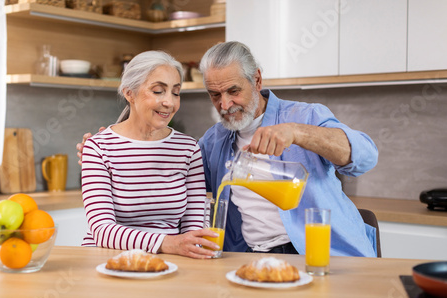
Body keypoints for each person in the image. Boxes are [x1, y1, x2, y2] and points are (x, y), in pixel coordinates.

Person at [78, 42, 379, 257]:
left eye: (233, 91)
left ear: (257, 80)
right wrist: (106, 149)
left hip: (321, 255)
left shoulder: (304, 116)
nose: (225, 105)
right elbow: (167, 176)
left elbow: (365, 156)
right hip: (246, 257)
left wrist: (296, 133)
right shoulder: (212, 141)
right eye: (214, 95)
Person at [80, 50, 219, 259]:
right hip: (108, 263)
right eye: (158, 91)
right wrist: (168, 243)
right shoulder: (97, 147)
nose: (169, 102)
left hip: (170, 263)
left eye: (175, 92)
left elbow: (194, 227)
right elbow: (102, 230)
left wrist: (185, 248)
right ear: (129, 93)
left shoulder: (189, 149)